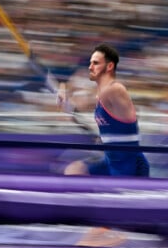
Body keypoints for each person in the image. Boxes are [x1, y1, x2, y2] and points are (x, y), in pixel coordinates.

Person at [60, 44, 149, 177]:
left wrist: (64, 92)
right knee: (73, 170)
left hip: (126, 165)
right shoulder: (103, 95)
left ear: (109, 66)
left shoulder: (114, 89)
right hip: (111, 159)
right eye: (90, 63)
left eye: (95, 63)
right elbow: (80, 113)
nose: (90, 67)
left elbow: (82, 104)